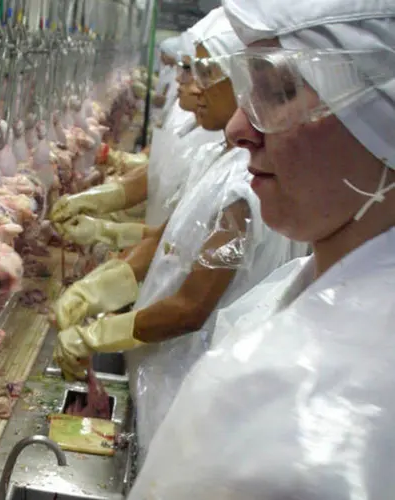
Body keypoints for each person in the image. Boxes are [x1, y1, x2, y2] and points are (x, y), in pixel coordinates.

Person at [128, 0, 395, 498]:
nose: (238, 129)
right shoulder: (310, 290)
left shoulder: (309, 428)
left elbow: (194, 301)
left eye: (278, 91)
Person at [51, 6, 304, 460]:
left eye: (206, 71)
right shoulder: (221, 159)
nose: (190, 83)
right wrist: (95, 291)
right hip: (157, 365)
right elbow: (166, 243)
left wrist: (97, 334)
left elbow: (191, 307)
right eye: (189, 68)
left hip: (187, 381)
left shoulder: (245, 191)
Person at [49, 11, 228, 249]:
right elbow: (162, 167)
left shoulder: (220, 144)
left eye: (195, 72)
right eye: (185, 69)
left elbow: (186, 248)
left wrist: (111, 231)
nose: (182, 80)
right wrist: (107, 194)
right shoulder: (193, 118)